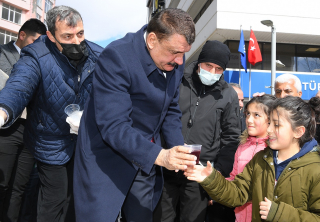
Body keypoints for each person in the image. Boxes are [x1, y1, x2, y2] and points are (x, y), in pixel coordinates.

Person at [73, 8, 196, 222]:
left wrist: (179, 152)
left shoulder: (175, 57)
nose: (179, 61)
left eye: (183, 53)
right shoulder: (117, 57)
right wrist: (161, 156)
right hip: (106, 156)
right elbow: (113, 125)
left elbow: (171, 109)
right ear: (151, 40)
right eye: (174, 52)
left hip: (146, 158)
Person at [0, 6, 103, 222]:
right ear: (50, 35)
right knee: (54, 199)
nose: (76, 41)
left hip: (83, 141)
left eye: (80, 34)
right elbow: (19, 87)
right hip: (50, 141)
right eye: (67, 36)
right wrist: (3, 111)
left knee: (75, 199)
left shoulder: (97, 55)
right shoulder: (36, 55)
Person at [185, 96, 320, 222]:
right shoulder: (261, 160)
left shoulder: (318, 173)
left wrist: (280, 213)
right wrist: (210, 179)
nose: (269, 130)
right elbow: (238, 193)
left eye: (276, 125)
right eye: (269, 124)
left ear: (298, 131)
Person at [155, 40, 241, 222]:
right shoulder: (178, 80)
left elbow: (231, 136)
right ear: (199, 62)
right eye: (208, 65)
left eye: (218, 69)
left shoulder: (228, 95)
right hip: (170, 164)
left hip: (200, 172)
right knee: (162, 217)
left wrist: (218, 173)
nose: (212, 72)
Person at [0, 19, 46, 222]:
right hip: (7, 129)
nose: (37, 46)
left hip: (31, 130)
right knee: (2, 183)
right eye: (35, 40)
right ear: (22, 35)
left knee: (21, 185)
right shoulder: (2, 54)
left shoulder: (42, 61)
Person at [225, 95, 275, 222]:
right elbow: (234, 178)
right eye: (247, 114)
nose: (249, 120)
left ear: (270, 119)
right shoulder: (242, 146)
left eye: (256, 115)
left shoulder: (275, 149)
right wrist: (214, 181)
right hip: (240, 217)